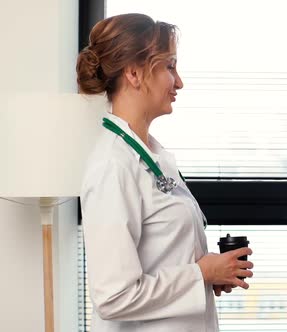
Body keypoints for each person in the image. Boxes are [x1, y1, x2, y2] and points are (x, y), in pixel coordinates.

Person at [77, 13, 253, 332]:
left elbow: (163, 260)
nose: (180, 81)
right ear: (134, 73)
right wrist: (200, 275)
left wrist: (209, 276)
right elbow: (113, 297)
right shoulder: (112, 166)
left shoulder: (153, 157)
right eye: (170, 66)